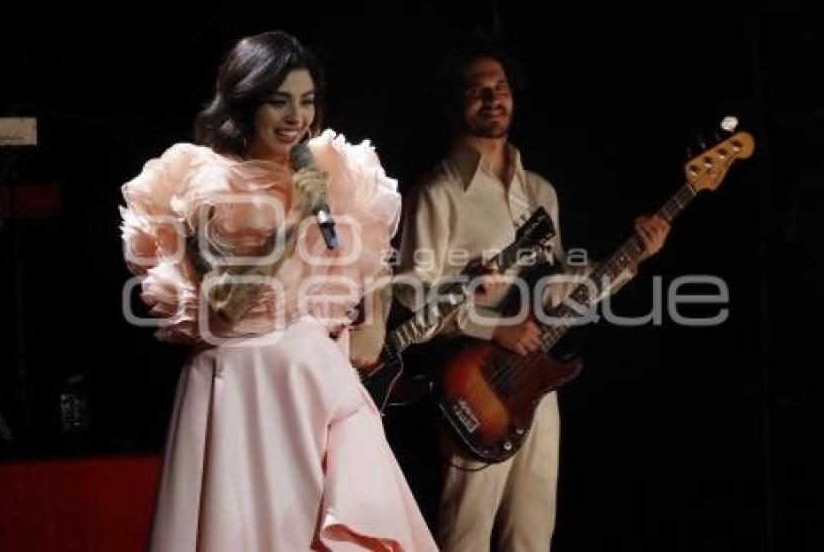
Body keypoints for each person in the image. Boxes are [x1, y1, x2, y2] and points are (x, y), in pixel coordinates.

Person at [120, 31, 437, 551]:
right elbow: (227, 304)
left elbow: (373, 250)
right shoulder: (204, 184)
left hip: (316, 377)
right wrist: (292, 219)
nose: (297, 117)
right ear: (245, 103)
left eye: (307, 101)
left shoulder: (329, 169)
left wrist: (375, 323)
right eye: (280, 101)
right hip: (244, 386)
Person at [394, 34, 671, 551]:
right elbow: (411, 299)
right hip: (474, 386)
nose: (493, 98)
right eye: (478, 90)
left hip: (537, 384)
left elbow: (559, 289)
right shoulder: (437, 193)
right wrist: (493, 327)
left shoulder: (540, 192)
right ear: (454, 103)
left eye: (501, 87)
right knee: (466, 534)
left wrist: (633, 257)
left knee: (533, 536)